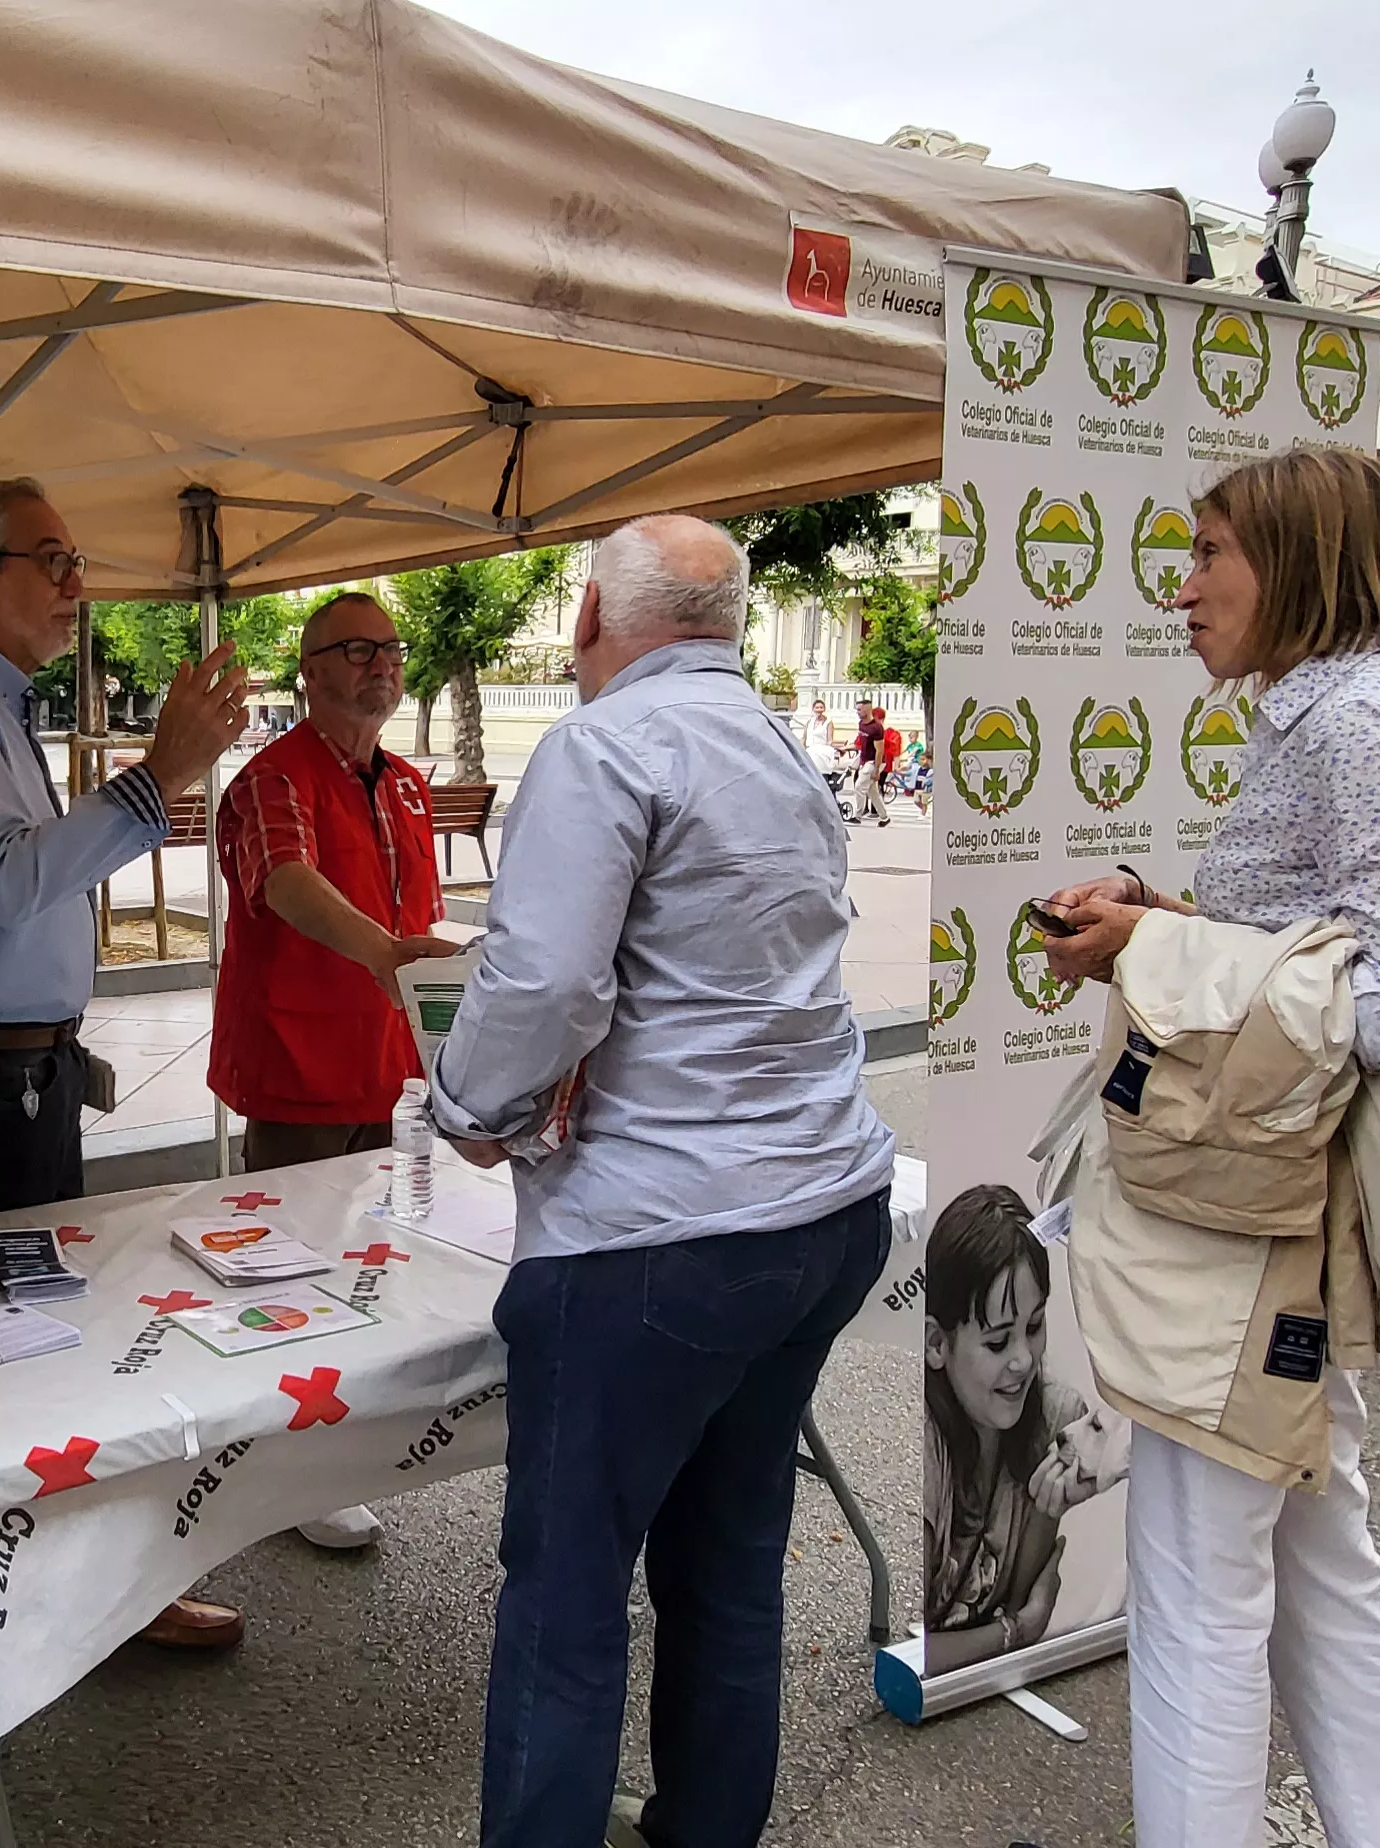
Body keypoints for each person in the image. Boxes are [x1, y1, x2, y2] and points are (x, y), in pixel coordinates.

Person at [1036, 444, 1380, 1848]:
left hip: (1246, 1232)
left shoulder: (1356, 724)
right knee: (1319, 1558)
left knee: (1198, 1593)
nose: (1182, 590)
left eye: (1208, 554)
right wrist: (1163, 920)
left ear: (1299, 560)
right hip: (1282, 1214)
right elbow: (1330, 952)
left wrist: (1162, 944)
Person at [429, 515, 898, 1848]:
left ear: (591, 621)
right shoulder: (784, 750)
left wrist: (469, 1106)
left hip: (658, 1229)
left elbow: (543, 980)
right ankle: (707, 1828)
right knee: (732, 1557)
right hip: (820, 1203)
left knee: (566, 1595)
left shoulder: (600, 744)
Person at [0, 477, 253, 1648]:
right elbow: (7, 881)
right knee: (20, 1346)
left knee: (36, 1333)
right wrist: (160, 777)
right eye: (50, 560)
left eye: (75, 556)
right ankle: (41, 1607)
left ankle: (62, 1594)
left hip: (13, 1074)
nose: (75, 585)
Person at [204, 589, 449, 1559]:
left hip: (380, 1071)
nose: (378, 664)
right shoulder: (272, 779)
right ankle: (284, 1472)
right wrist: (388, 952)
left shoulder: (404, 783)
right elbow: (287, 883)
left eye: (389, 648)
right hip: (296, 1066)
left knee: (361, 1266)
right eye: (353, 649)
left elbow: (420, 914)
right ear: (307, 671)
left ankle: (326, 1445)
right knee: (287, 1270)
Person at [919, 1183, 1117, 1673]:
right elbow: (907, 1656)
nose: (1023, 1361)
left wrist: (1056, 1503)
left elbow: (1014, 1602)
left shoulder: (1055, 1422)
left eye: (1034, 1328)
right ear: (937, 1344)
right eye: (997, 1342)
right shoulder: (923, 1452)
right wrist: (1015, 1633)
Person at [856, 701, 900, 826]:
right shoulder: (861, 725)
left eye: (860, 709)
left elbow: (880, 750)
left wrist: (876, 769)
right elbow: (862, 745)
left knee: (859, 787)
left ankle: (857, 816)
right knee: (872, 791)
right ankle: (884, 817)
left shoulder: (876, 728)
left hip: (874, 762)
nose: (857, 712)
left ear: (867, 710)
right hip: (865, 761)